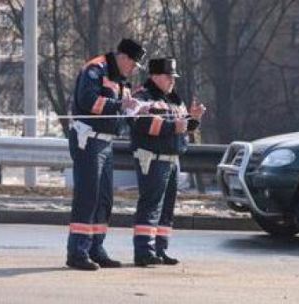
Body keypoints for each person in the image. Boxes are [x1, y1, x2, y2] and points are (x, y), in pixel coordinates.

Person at [66, 38, 146, 271]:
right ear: (123, 58)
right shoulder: (96, 69)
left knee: (104, 200)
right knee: (87, 196)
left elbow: (120, 113)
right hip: (88, 139)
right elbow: (88, 101)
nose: (134, 70)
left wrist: (136, 111)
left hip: (105, 143)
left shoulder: (121, 79)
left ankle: (95, 248)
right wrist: (120, 104)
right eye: (133, 64)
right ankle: (77, 252)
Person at [130, 58, 206, 267]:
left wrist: (194, 119)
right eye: (168, 76)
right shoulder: (142, 97)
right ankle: (144, 251)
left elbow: (184, 127)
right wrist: (177, 126)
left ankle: (160, 249)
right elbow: (142, 124)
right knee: (151, 204)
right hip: (152, 158)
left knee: (167, 208)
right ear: (154, 76)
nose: (172, 80)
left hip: (172, 159)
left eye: (173, 77)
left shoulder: (174, 99)